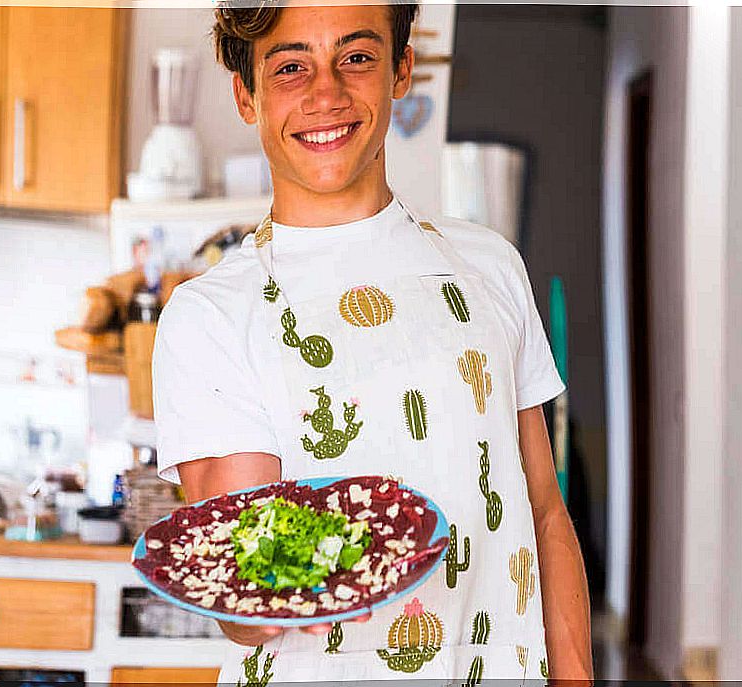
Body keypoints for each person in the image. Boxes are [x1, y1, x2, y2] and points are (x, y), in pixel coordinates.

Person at [152, 1, 593, 683]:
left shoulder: (489, 266)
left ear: (401, 70)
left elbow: (542, 508)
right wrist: (291, 591)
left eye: (356, 58)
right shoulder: (212, 314)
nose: (326, 94)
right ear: (247, 94)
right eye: (291, 67)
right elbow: (241, 602)